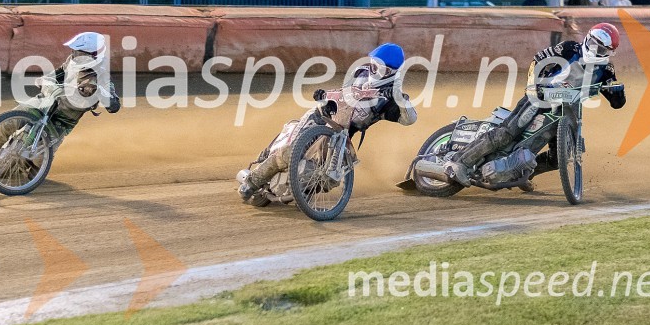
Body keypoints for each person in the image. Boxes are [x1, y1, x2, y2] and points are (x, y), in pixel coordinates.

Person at [238, 43, 417, 201]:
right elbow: (343, 92)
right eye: (372, 63)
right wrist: (325, 95)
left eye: (377, 66)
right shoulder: (360, 73)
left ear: (389, 71)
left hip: (341, 135)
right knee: (289, 152)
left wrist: (400, 99)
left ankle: (301, 191)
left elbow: (410, 119)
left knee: (330, 179)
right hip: (321, 116)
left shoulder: (391, 101)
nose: (372, 68)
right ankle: (252, 182)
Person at [449, 23, 626, 175]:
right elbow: (538, 59)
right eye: (593, 45)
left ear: (609, 52)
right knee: (507, 133)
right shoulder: (569, 48)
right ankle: (460, 162)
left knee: (560, 158)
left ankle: (523, 175)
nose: (595, 50)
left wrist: (618, 94)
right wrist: (534, 85)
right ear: (587, 39)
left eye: (601, 49)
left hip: (567, 111)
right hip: (540, 97)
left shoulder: (606, 70)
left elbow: (616, 102)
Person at [0, 32, 121, 171]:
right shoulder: (72, 61)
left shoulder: (102, 77)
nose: (74, 54)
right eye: (74, 51)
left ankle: (25, 176)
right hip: (45, 102)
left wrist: (103, 95)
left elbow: (114, 105)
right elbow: (57, 74)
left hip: (62, 121)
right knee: (9, 121)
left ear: (94, 55)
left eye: (79, 52)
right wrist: (44, 80)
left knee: (38, 161)